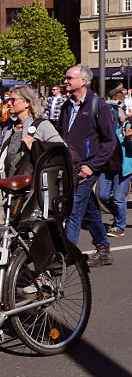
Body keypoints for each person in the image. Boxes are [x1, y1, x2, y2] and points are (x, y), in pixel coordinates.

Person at [57, 64, 118, 267]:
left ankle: (66, 257)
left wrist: (92, 167)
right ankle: (103, 248)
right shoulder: (67, 106)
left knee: (72, 210)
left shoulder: (97, 105)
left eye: (69, 78)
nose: (65, 81)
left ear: (83, 81)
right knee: (89, 209)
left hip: (86, 167)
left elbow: (110, 141)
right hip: (70, 166)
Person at [0, 86, 64, 199]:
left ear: (27, 102)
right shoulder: (11, 128)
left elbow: (62, 150)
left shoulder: (42, 125)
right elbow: (6, 157)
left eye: (13, 100)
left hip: (33, 192)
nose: (9, 103)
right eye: (7, 100)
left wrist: (35, 146)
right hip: (12, 191)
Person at [97, 115, 132, 237]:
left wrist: (129, 139)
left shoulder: (125, 127)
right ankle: (118, 216)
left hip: (122, 168)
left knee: (118, 198)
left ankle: (119, 226)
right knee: (102, 195)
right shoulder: (98, 129)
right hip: (106, 167)